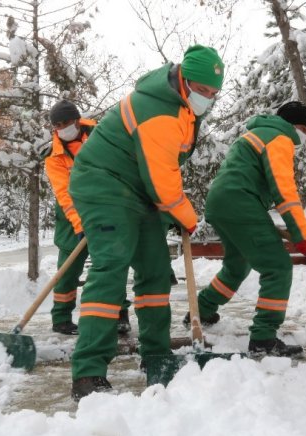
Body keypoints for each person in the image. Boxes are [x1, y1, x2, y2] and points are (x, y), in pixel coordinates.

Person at [68, 44, 225, 399]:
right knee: (111, 268)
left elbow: (165, 168)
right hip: (104, 184)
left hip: (140, 190)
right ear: (184, 80)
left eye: (214, 93)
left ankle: (155, 352)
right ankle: (88, 373)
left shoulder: (183, 109)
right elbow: (162, 180)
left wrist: (172, 207)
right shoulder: (158, 111)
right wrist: (185, 215)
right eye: (202, 90)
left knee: (155, 270)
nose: (207, 98)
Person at [183, 101, 306, 357]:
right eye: (303, 129)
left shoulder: (257, 134)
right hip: (240, 201)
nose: (304, 137)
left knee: (237, 265)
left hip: (221, 202)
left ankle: (202, 310)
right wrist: (301, 233)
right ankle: (264, 337)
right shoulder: (280, 137)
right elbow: (284, 189)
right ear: (292, 125)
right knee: (277, 266)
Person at [44, 99, 131, 336]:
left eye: (67, 122)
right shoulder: (53, 155)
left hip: (105, 206)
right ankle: (61, 317)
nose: (63, 128)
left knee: (110, 263)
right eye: (58, 125)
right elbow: (64, 193)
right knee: (69, 266)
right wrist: (81, 224)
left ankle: (120, 314)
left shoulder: (100, 135)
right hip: (71, 213)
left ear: (78, 120)